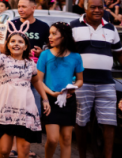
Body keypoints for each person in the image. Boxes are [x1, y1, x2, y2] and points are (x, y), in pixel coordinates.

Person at [71, 0, 122, 158]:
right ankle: (82, 155)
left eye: (100, 7)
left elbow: (120, 53)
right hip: (81, 82)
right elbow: (64, 52)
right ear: (85, 8)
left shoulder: (111, 28)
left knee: (109, 122)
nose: (98, 10)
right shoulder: (73, 26)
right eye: (93, 7)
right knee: (81, 121)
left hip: (106, 83)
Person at [0, 23, 50, 158]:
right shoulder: (2, 59)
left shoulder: (30, 63)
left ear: (25, 46)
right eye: (12, 41)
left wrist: (45, 99)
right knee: (4, 150)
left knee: (23, 150)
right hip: (6, 106)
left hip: (26, 107)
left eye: (20, 42)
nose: (16, 44)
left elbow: (36, 81)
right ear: (7, 45)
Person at [38, 22, 84, 158]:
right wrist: (51, 93)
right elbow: (38, 81)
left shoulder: (76, 56)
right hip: (50, 100)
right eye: (49, 33)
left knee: (66, 139)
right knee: (52, 139)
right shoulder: (45, 55)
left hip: (68, 100)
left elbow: (80, 80)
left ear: (64, 36)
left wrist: (73, 88)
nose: (50, 37)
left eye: (54, 34)